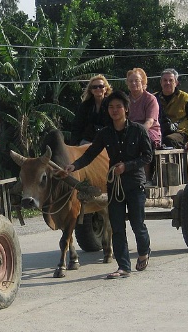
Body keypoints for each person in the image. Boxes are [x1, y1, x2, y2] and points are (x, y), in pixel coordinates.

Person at [64, 91, 154, 279]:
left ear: (126, 109)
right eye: (111, 107)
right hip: (114, 186)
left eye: (118, 107)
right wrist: (74, 166)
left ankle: (144, 251)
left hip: (135, 184)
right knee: (117, 227)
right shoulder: (105, 133)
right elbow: (91, 154)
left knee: (138, 225)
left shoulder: (139, 130)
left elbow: (147, 156)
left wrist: (127, 166)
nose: (114, 110)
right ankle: (123, 267)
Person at [156, 68, 188, 151]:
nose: (167, 83)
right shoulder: (154, 98)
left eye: (171, 80)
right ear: (161, 82)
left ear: (176, 83)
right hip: (158, 133)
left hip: (179, 133)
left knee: (168, 140)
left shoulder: (184, 98)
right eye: (165, 80)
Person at [69, 74, 112, 145]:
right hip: (87, 141)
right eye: (95, 87)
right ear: (91, 90)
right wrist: (75, 143)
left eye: (101, 86)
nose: (98, 89)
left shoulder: (111, 105)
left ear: (106, 89)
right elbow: (77, 126)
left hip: (107, 142)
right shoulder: (84, 106)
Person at [126, 67, 161, 148]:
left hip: (148, 131)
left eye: (137, 80)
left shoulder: (150, 99)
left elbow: (149, 122)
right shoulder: (126, 100)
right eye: (130, 81)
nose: (133, 83)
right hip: (129, 132)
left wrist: (136, 134)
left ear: (143, 82)